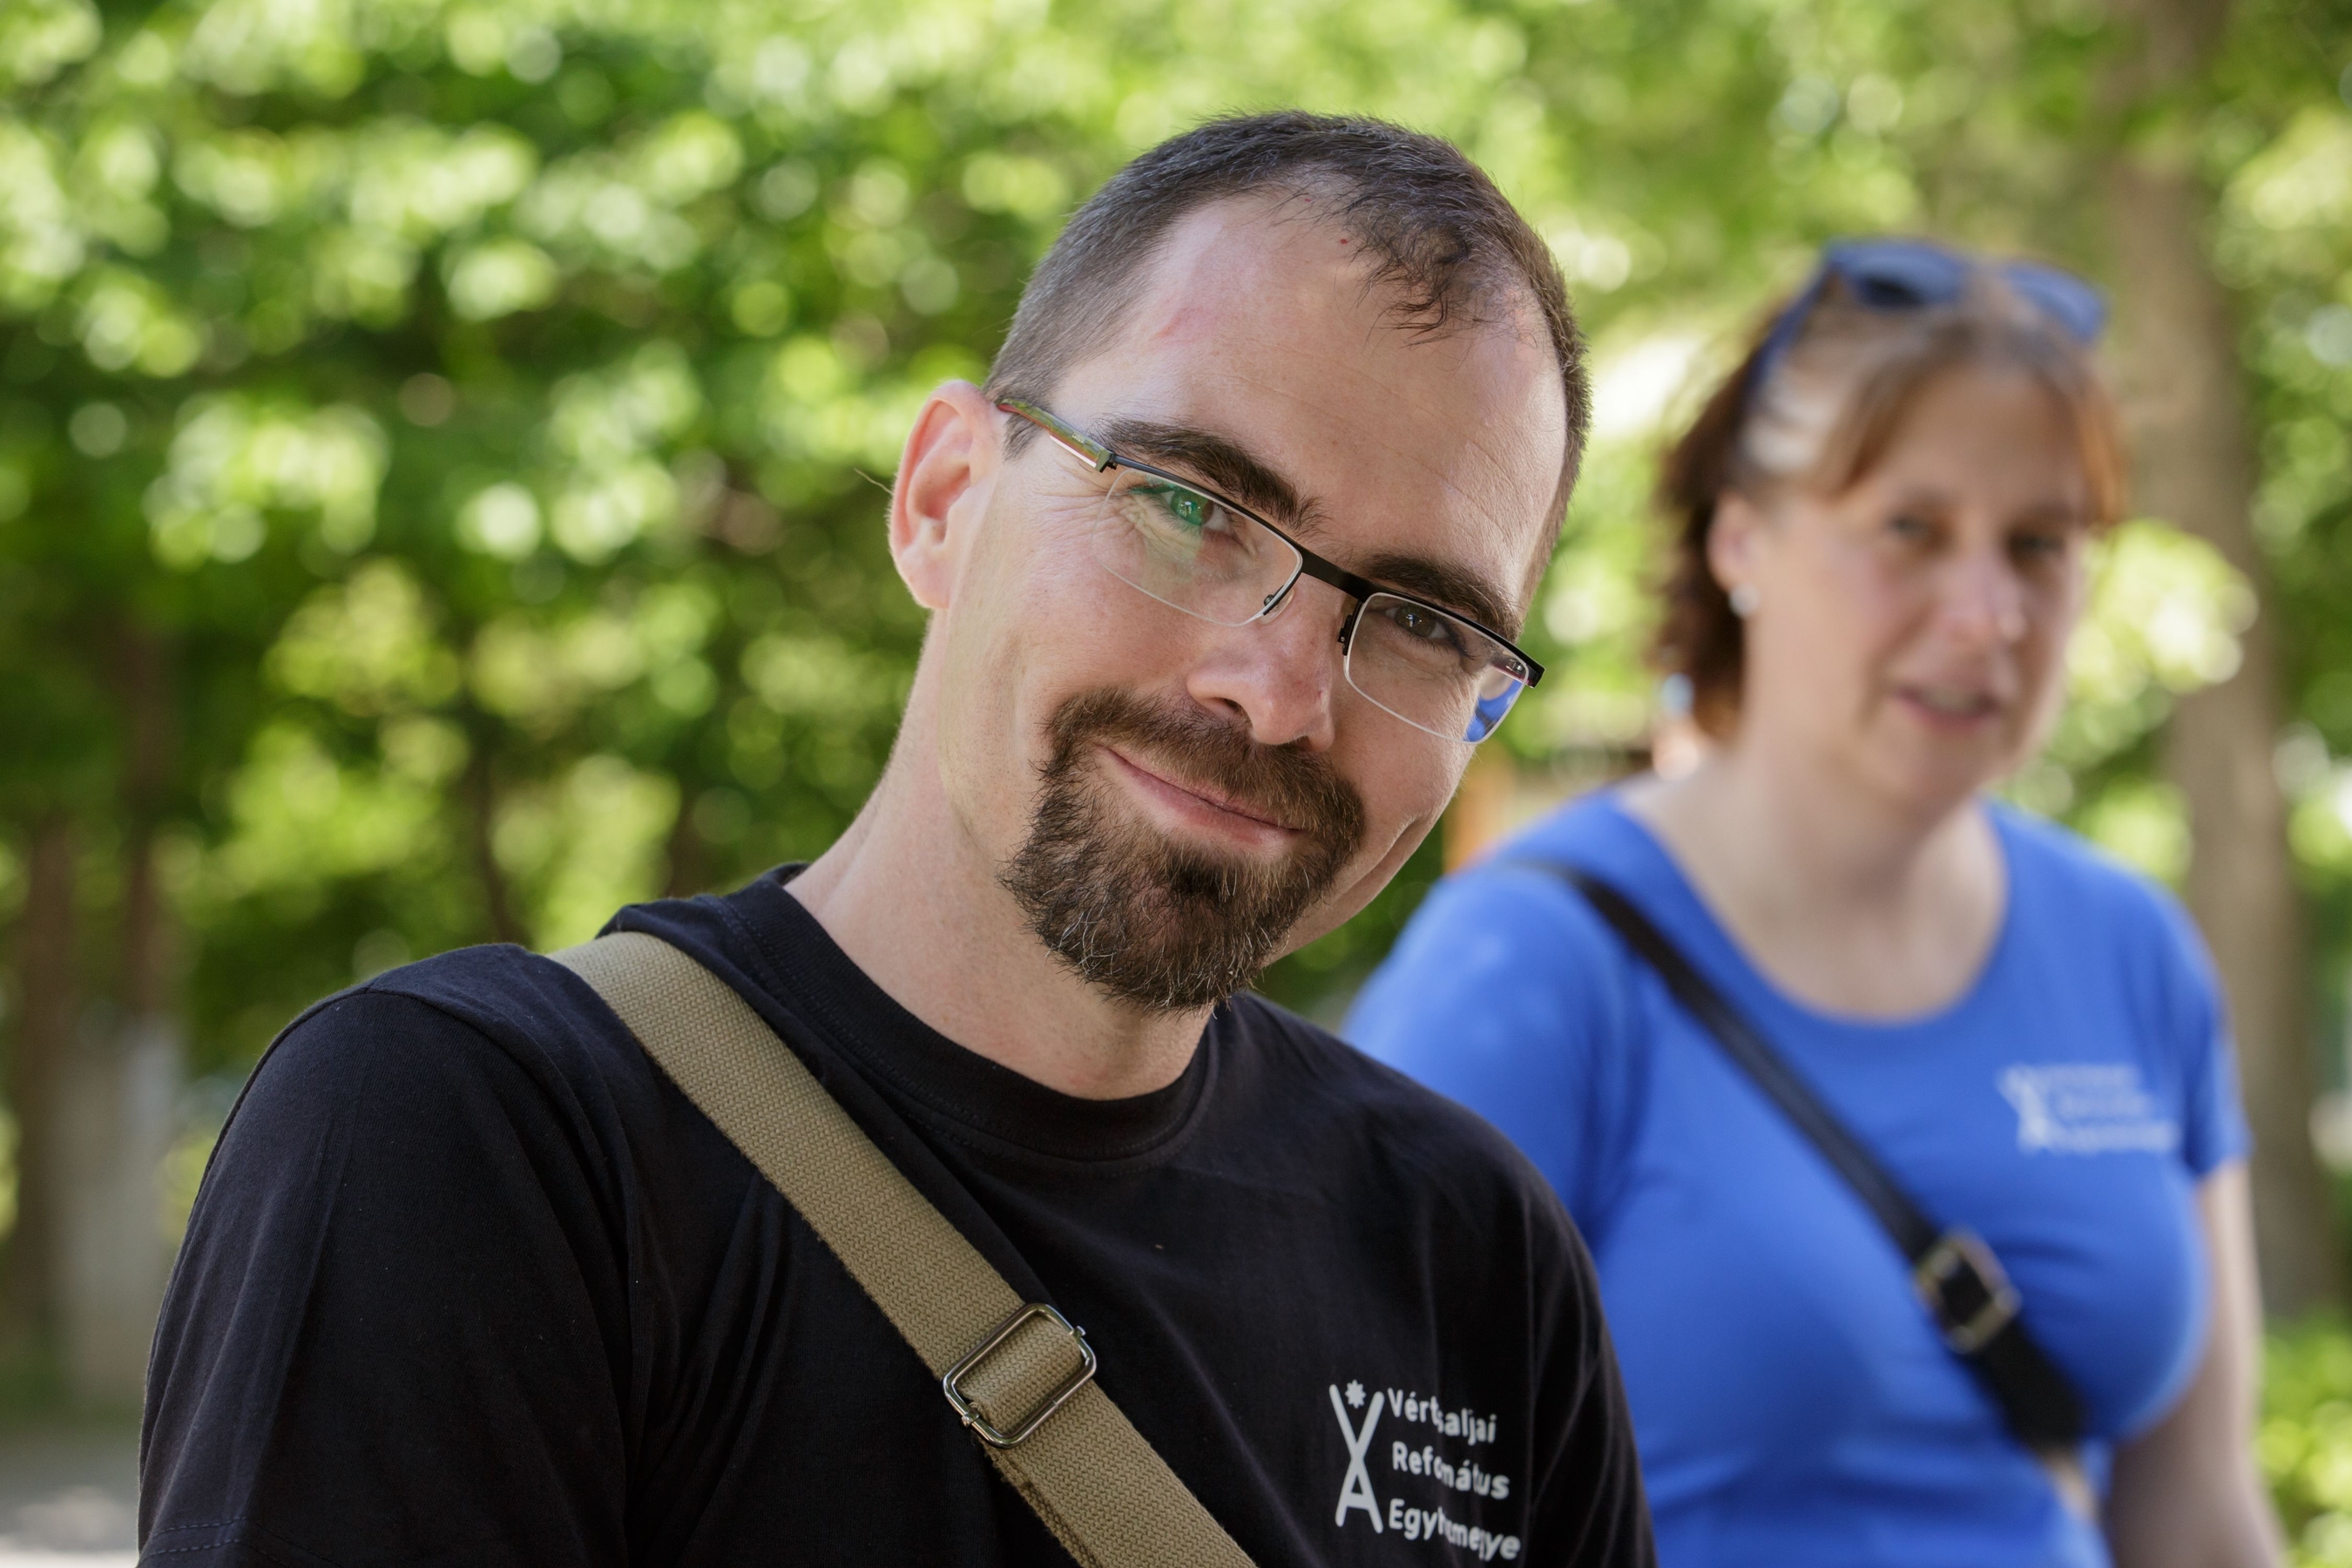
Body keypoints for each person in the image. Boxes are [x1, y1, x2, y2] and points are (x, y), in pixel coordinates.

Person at [141, 113, 1652, 1566]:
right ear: (942, 499)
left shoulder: (1473, 1258)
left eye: (1424, 621)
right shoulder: (482, 1147)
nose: (1274, 694)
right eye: (1191, 507)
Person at [1348, 240, 2282, 1568]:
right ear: (1743, 538)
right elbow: (1371, 1509)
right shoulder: (1534, 962)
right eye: (1911, 530)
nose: (1988, 615)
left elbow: (2197, 1511)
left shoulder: (2134, 952)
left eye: (2039, 545)